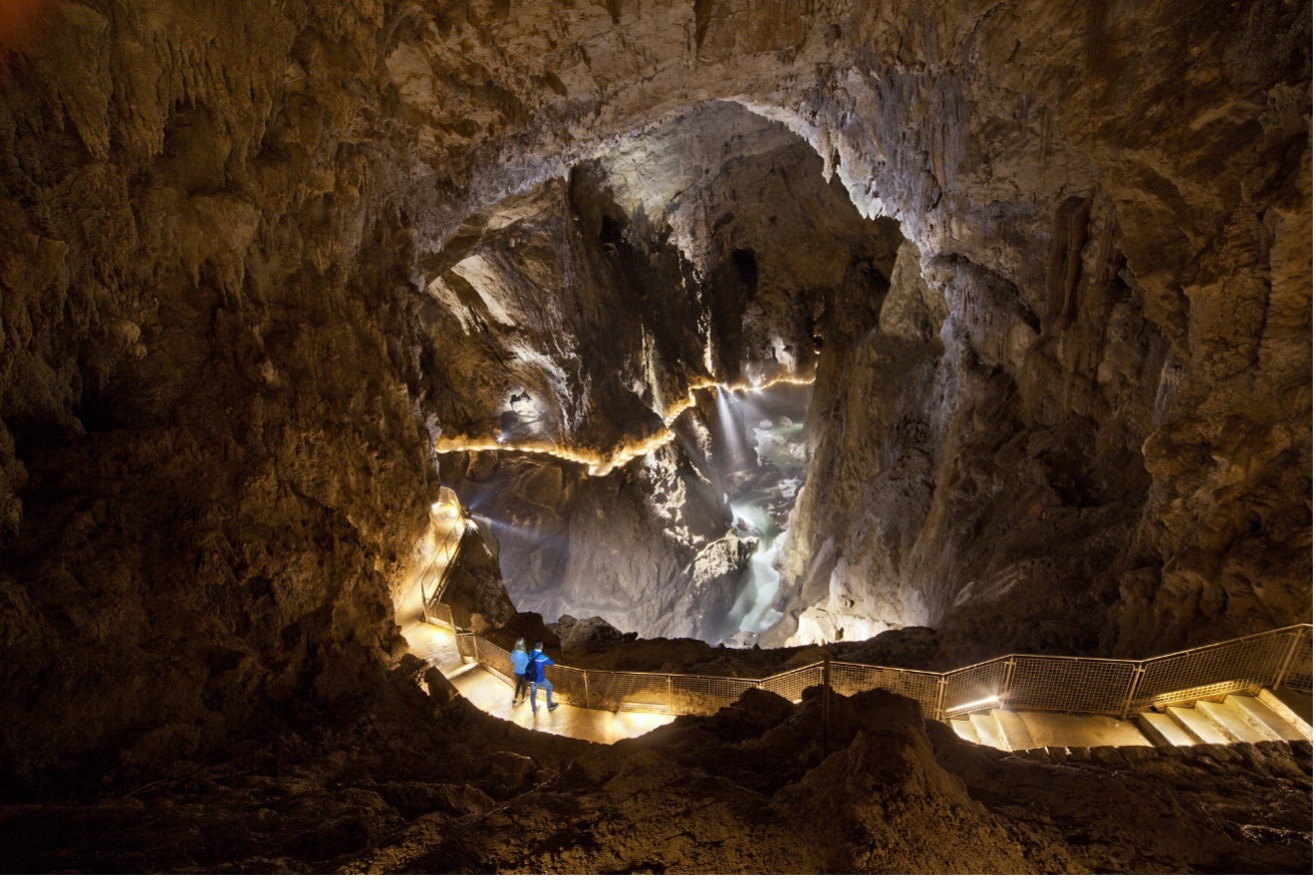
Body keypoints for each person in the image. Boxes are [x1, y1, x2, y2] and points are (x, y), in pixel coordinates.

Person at [527, 641, 558, 712]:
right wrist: (546, 657)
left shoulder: (531, 652)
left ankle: (534, 709)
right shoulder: (542, 656)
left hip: (531, 677)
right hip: (539, 679)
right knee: (549, 687)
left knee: (533, 693)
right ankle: (549, 705)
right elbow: (552, 663)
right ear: (541, 647)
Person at [510, 638, 530, 705]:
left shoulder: (514, 652)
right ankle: (523, 699)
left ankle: (515, 699)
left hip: (517, 672)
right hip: (524, 673)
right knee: (524, 686)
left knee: (518, 685)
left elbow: (512, 659)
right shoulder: (525, 655)